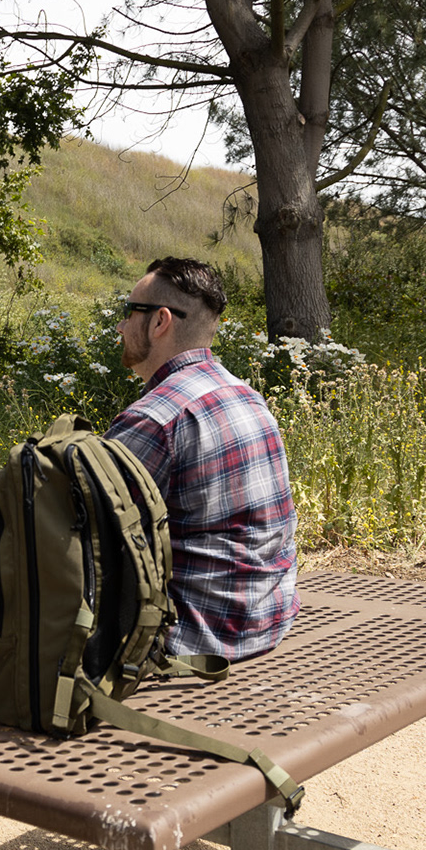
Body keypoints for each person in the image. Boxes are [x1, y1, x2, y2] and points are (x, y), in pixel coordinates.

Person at [103, 257, 298, 661]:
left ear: (160, 321)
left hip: (194, 642)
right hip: (268, 620)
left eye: (129, 311)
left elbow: (80, 534)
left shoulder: (154, 419)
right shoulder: (247, 396)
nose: (120, 326)